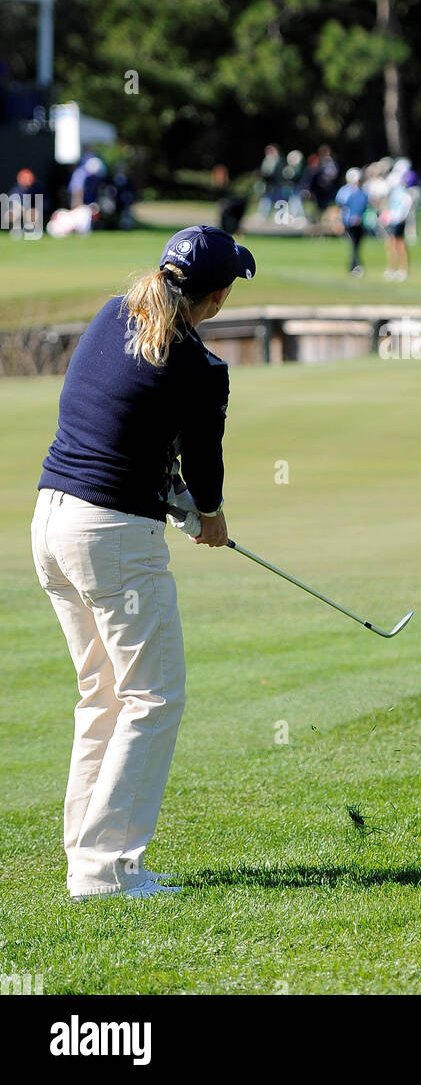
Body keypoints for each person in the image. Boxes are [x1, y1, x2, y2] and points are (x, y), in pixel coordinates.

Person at [31, 225, 256, 901]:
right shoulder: (201, 368)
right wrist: (208, 515)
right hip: (110, 538)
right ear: (215, 298)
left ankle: (88, 861)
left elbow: (121, 421)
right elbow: (205, 467)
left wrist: (175, 496)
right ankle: (105, 869)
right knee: (153, 696)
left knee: (104, 695)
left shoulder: (110, 311)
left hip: (49, 523)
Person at [335, 168, 368, 276]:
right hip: (348, 223)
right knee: (353, 245)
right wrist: (339, 222)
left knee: (357, 246)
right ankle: (356, 266)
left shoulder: (362, 191)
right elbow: (341, 208)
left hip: (360, 223)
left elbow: (365, 207)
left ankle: (353, 267)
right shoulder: (345, 191)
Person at [381, 172, 413, 280]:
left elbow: (405, 209)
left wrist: (400, 219)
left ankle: (404, 269)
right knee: (390, 245)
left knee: (399, 245)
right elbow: (390, 207)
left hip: (399, 222)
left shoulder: (404, 194)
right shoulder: (394, 193)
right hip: (392, 221)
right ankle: (392, 268)